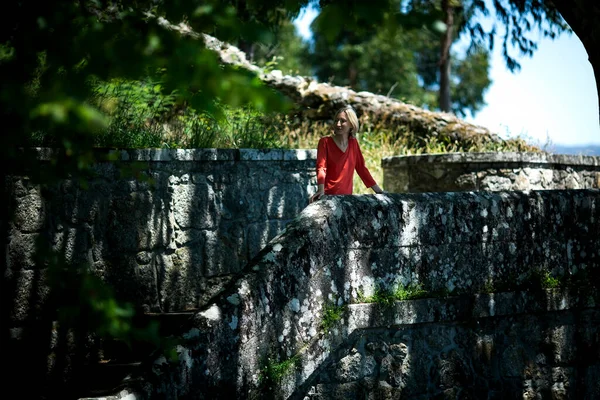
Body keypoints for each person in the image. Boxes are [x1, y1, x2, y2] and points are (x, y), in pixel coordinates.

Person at [309, 105, 384, 203]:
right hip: (327, 195)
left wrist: (378, 191)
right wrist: (320, 190)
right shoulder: (325, 142)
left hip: (347, 198)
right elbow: (321, 167)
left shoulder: (353, 143)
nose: (338, 124)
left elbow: (361, 168)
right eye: (336, 120)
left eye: (343, 121)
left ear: (351, 125)